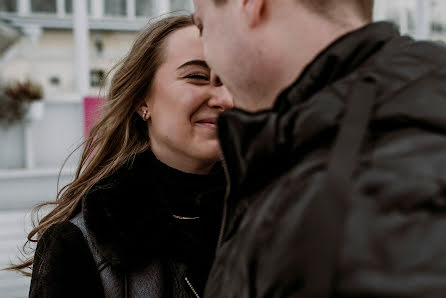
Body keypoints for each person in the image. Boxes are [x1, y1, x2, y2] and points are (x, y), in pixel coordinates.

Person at [192, 0, 446, 297]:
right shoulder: (335, 146)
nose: (214, 75)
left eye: (203, 26)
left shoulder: (369, 192)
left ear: (250, 4)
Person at [8, 15, 233, 297]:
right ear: (142, 100)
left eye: (233, 80)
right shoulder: (81, 244)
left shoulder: (272, 218)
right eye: (197, 76)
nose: (224, 98)